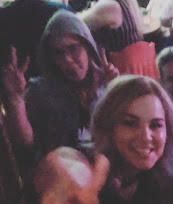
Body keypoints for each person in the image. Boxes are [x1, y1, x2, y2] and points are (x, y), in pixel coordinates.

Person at [89, 74, 173, 204]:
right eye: (130, 123)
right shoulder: (85, 175)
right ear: (108, 127)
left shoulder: (169, 186)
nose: (146, 137)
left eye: (156, 125)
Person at [23, 10, 116, 158]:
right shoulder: (40, 92)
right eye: (58, 53)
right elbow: (26, 145)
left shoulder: (105, 83)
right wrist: (15, 101)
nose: (67, 59)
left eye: (73, 48)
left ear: (88, 46)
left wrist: (114, 94)